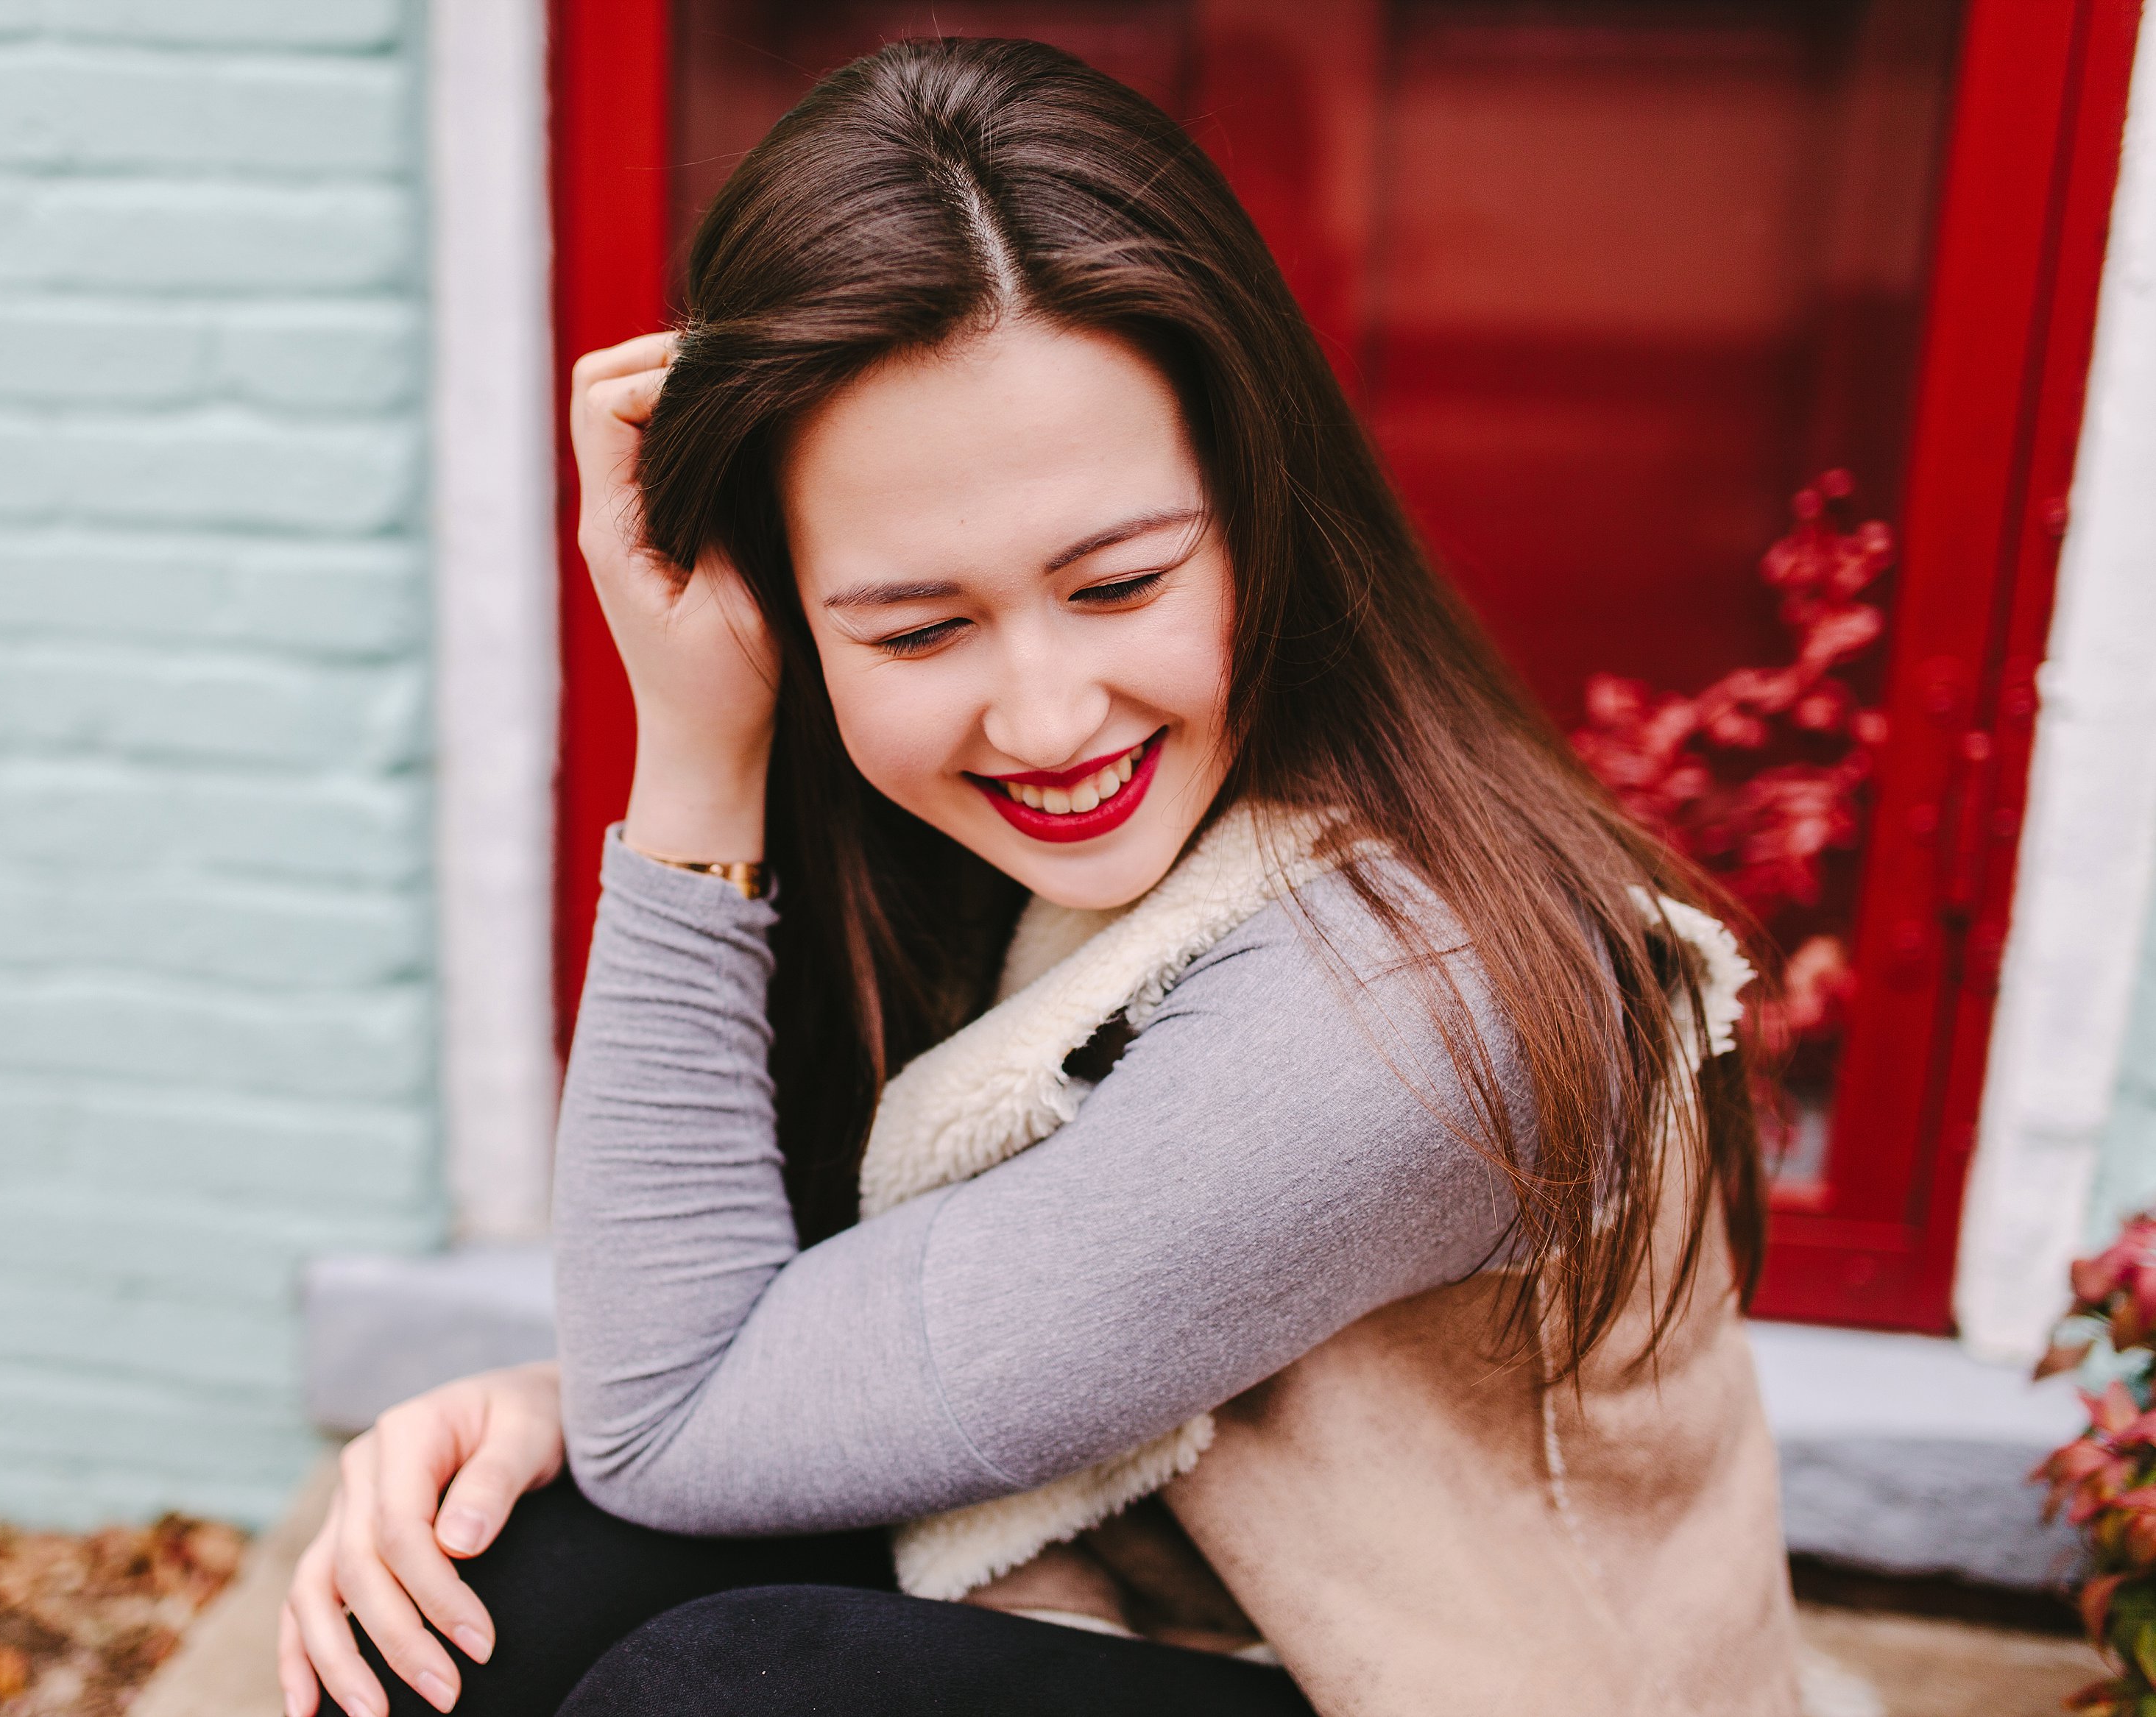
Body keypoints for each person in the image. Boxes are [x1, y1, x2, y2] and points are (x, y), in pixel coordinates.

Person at [280, 35, 1800, 1717]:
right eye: (917, 627)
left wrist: (613, 1402)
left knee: (733, 1693)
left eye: (1121, 581)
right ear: (790, 607)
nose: (1049, 716)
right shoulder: (957, 855)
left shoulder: (1401, 1010)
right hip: (1187, 1620)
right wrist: (701, 734)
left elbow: (675, 1415)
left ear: (1257, 508)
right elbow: (696, 1384)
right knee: (477, 1589)